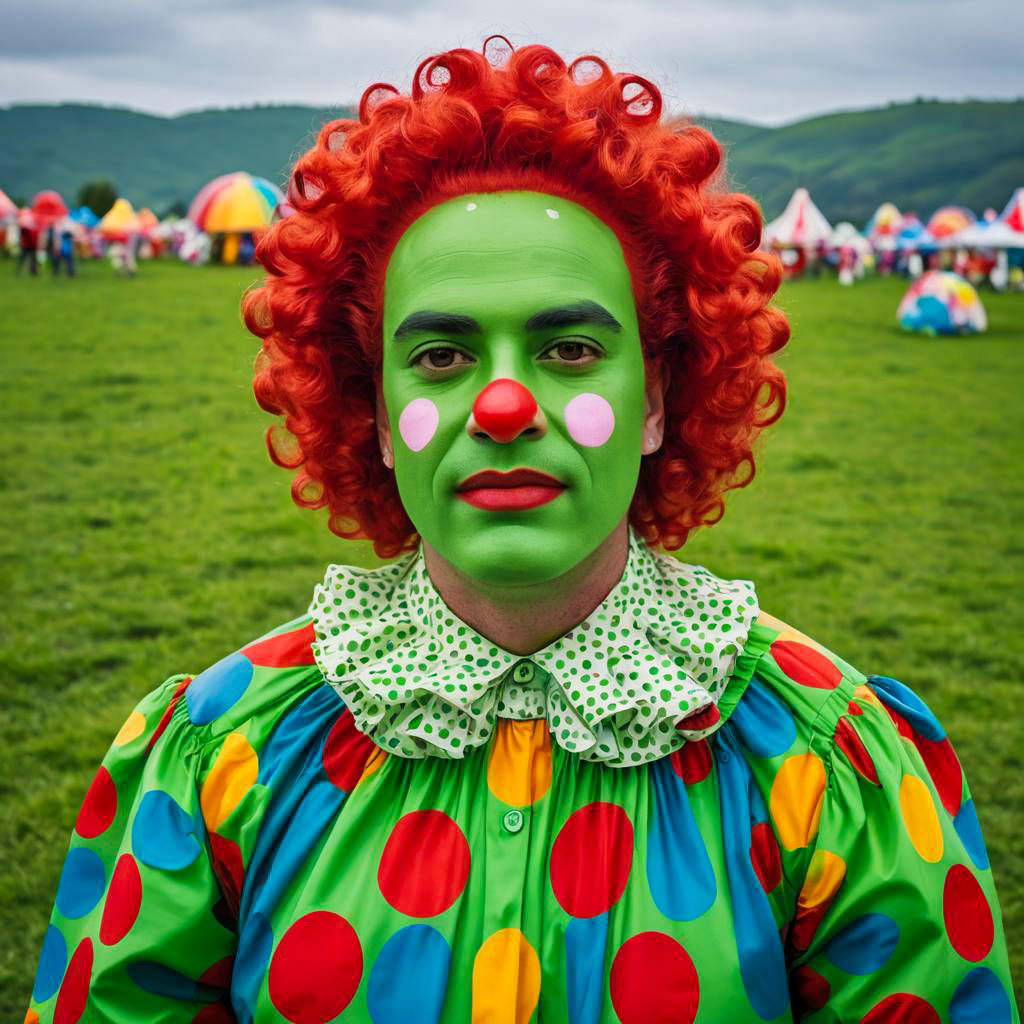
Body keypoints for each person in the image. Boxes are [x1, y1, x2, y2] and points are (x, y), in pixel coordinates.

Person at [27, 42, 1018, 1024]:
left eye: (570, 347)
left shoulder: (828, 763)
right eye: (445, 352)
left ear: (657, 399)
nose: (502, 404)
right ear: (371, 408)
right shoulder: (222, 757)